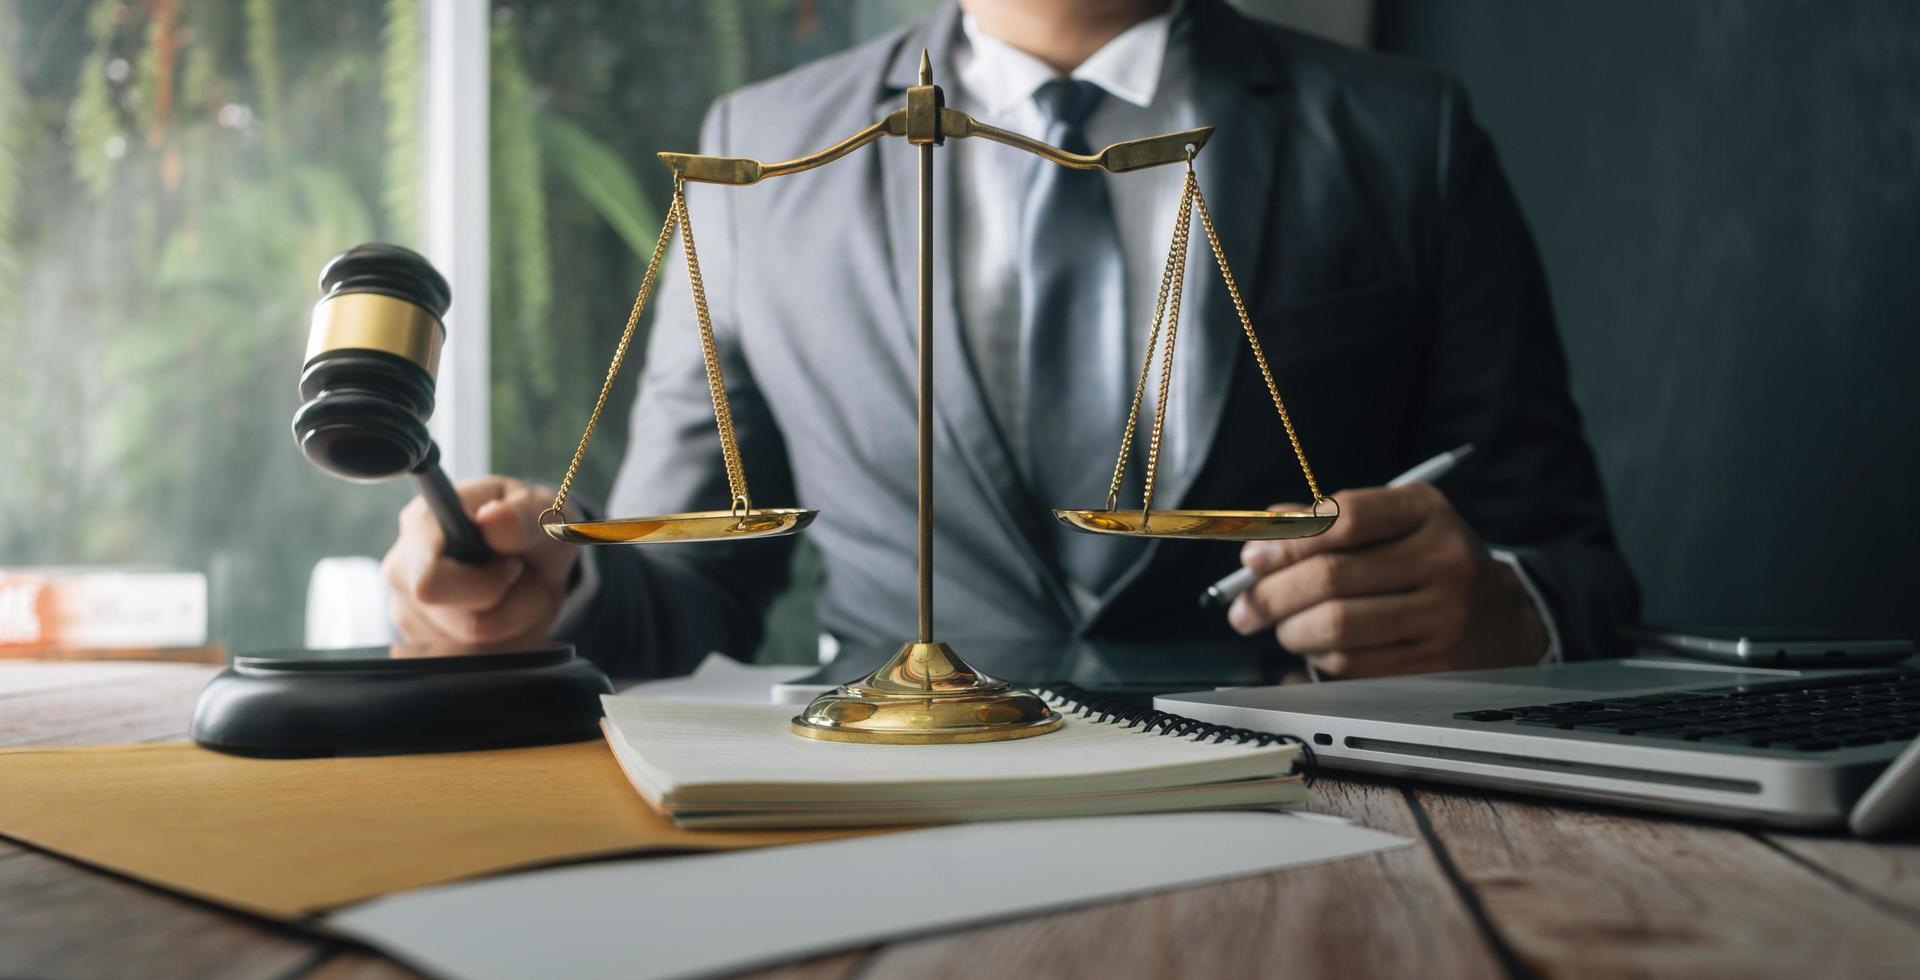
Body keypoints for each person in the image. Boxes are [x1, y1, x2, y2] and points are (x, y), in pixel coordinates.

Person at [381, 0, 1638, 681]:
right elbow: (694, 580)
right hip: (883, 827)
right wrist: (556, 589)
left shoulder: (1401, 131)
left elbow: (1572, 560)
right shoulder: (754, 152)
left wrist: (1501, 610)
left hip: (1311, 825)